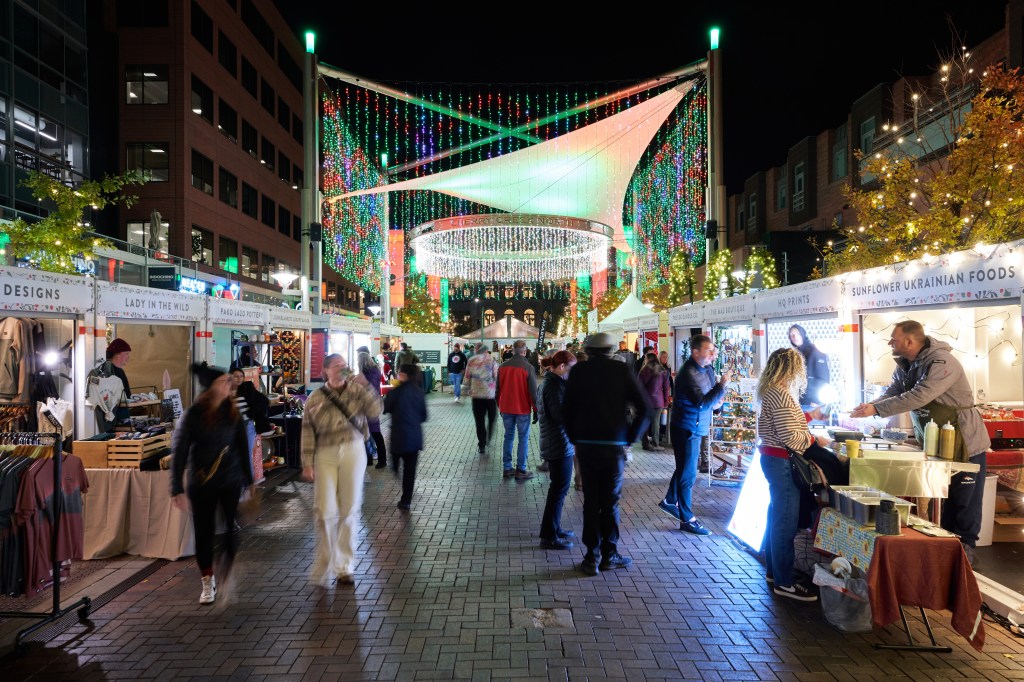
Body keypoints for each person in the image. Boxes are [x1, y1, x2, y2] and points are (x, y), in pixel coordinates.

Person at [850, 320, 990, 565]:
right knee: (946, 501)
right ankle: (947, 553)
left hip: (966, 440)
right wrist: (871, 407)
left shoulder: (942, 362)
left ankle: (966, 556)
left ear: (910, 341)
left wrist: (876, 409)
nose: (889, 343)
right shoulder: (905, 364)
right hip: (936, 442)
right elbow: (894, 389)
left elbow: (920, 395)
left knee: (965, 503)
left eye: (893, 339)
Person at [563, 332, 650, 576]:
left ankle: (592, 556)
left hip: (587, 445)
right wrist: (630, 438)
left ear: (588, 350)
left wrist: (574, 437)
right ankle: (610, 554)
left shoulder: (579, 372)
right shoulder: (621, 371)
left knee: (591, 501)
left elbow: (566, 409)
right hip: (613, 446)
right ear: (611, 349)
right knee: (610, 501)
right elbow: (645, 409)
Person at [171, 363, 254, 605]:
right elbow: (180, 451)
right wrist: (176, 487)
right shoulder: (194, 415)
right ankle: (207, 580)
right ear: (211, 388)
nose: (230, 385)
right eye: (225, 382)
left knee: (231, 528)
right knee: (204, 531)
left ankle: (226, 569)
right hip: (202, 481)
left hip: (230, 479)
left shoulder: (233, 411)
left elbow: (242, 446)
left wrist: (250, 481)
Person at [300, 353, 383, 587]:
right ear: (325, 370)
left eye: (344, 365)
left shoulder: (357, 390)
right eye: (337, 366)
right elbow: (307, 430)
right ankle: (324, 562)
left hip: (353, 448)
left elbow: (376, 411)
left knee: (349, 509)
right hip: (324, 452)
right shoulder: (315, 397)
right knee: (324, 511)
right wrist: (307, 462)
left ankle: (344, 566)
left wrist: (366, 385)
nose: (342, 369)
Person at [757, 347, 828, 602]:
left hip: (775, 459)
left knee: (778, 516)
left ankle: (776, 573)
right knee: (784, 522)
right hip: (782, 462)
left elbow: (785, 425)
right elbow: (790, 436)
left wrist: (809, 416)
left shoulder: (774, 391)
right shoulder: (781, 393)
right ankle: (785, 582)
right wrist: (814, 438)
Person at [661, 334, 732, 536]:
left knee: (684, 468)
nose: (712, 355)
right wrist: (721, 386)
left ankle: (669, 500)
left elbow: (710, 398)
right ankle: (687, 518)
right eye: (708, 351)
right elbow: (702, 402)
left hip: (697, 426)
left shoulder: (707, 369)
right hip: (687, 428)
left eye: (713, 351)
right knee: (689, 474)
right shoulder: (688, 374)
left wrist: (717, 404)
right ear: (695, 352)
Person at [537, 350, 577, 550]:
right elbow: (559, 414)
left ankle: (553, 528)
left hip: (557, 441)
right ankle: (549, 535)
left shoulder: (552, 382)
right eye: (570, 369)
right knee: (558, 489)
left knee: (558, 489)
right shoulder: (553, 385)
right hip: (558, 443)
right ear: (562, 367)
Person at [383, 364, 428, 511]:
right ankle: (406, 500)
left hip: (398, 435)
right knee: (410, 470)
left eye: (399, 373)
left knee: (396, 457)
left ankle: (395, 468)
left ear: (403, 375)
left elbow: (386, 408)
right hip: (414, 437)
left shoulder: (395, 392)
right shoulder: (419, 392)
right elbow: (424, 416)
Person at [496, 340, 539, 480]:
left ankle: (507, 468)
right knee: (523, 438)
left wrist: (500, 405)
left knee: (508, 436)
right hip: (522, 409)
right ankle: (521, 469)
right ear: (524, 351)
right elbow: (533, 392)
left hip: (506, 408)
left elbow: (497, 390)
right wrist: (536, 409)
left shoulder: (502, 367)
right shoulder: (528, 367)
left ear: (513, 350)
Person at [462, 342, 498, 455]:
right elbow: (497, 376)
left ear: (477, 350)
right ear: (486, 350)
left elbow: (467, 378)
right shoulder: (491, 360)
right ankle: (489, 436)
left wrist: (466, 388)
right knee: (492, 417)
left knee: (479, 421)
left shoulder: (471, 360)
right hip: (490, 395)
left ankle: (481, 444)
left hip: (476, 396)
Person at [357, 351, 388, 469]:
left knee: (375, 433)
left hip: (370, 406)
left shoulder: (370, 373)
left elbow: (370, 388)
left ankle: (382, 460)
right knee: (368, 434)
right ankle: (369, 459)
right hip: (368, 405)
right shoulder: (373, 371)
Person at [788, 324, 831, 409]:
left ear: (803, 334)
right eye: (792, 335)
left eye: (798, 334)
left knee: (811, 422)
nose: (795, 337)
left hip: (812, 404)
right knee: (803, 422)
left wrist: (817, 401)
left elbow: (823, 378)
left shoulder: (815, 352)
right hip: (799, 403)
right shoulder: (795, 353)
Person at [638, 353, 671, 451]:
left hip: (646, 401)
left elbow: (639, 386)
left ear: (647, 359)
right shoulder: (662, 371)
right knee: (656, 423)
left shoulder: (644, 370)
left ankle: (645, 443)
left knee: (645, 422)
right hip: (658, 401)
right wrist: (666, 401)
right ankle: (656, 444)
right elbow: (666, 389)